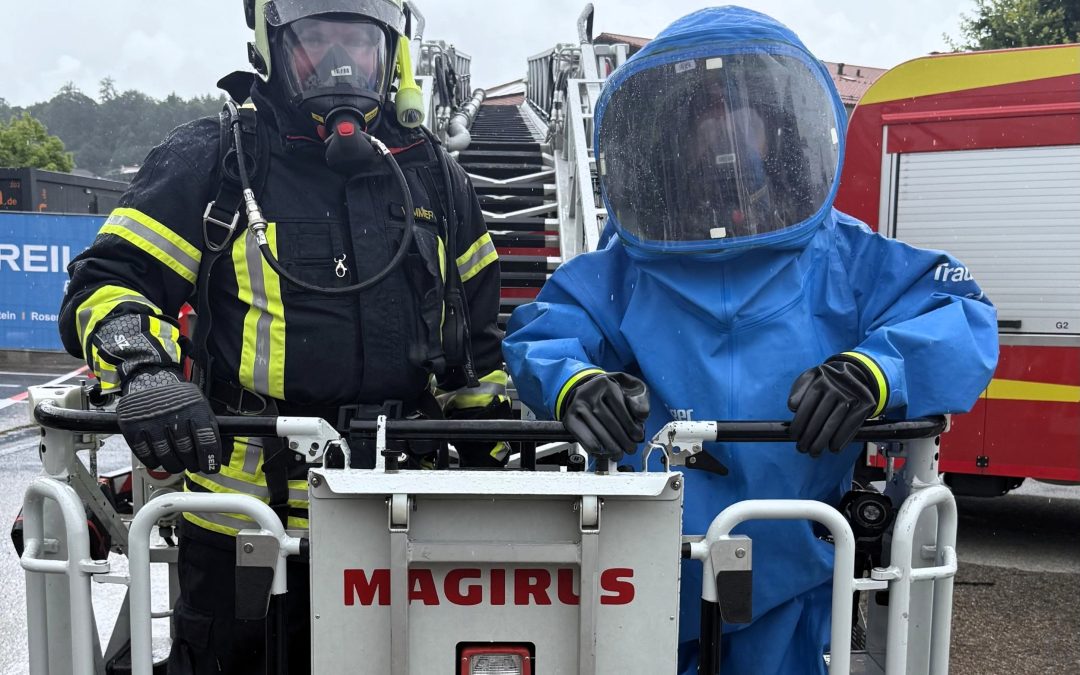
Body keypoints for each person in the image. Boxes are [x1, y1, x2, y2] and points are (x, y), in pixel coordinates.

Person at [503, 6, 998, 674]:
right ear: (673, 134)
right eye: (705, 111)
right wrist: (574, 382)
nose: (725, 131)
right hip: (647, 574)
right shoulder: (627, 266)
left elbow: (960, 314)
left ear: (780, 123)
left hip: (790, 574)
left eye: (740, 107)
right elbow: (544, 332)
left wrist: (873, 372)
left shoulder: (842, 259)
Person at [57, 1, 509, 672]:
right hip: (244, 535)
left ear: (393, 55)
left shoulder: (436, 178)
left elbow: (478, 355)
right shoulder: (217, 159)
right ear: (270, 47)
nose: (341, 63)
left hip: (400, 525)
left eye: (359, 42)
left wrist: (503, 469)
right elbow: (106, 283)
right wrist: (144, 372)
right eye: (317, 40)